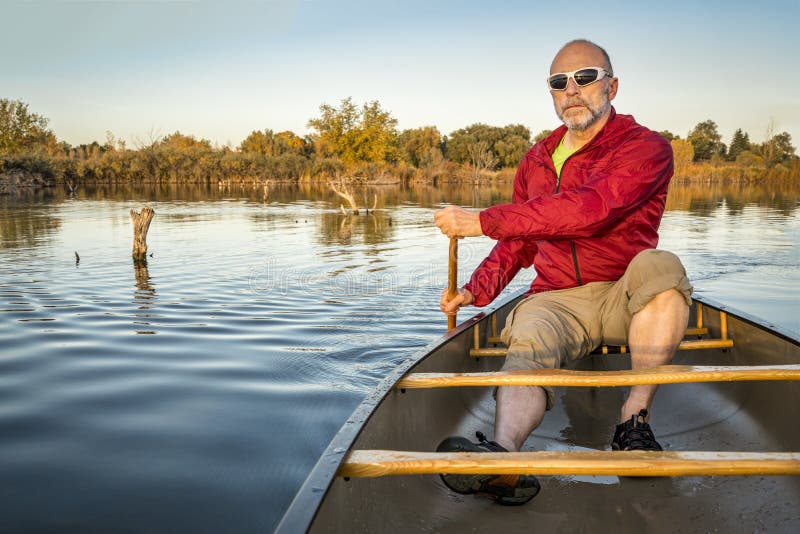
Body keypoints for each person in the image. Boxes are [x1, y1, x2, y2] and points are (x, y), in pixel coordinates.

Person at [433, 39, 693, 506]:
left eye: (585, 77)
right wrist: (476, 291)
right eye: (559, 82)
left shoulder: (646, 147)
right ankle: (504, 459)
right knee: (528, 335)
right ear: (551, 94)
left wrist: (482, 219)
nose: (571, 90)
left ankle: (633, 423)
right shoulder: (535, 159)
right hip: (556, 296)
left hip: (623, 294)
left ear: (612, 86)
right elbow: (522, 240)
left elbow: (591, 209)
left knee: (663, 269)